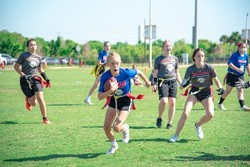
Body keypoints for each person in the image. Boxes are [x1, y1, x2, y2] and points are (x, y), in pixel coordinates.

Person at [98, 52, 151, 155]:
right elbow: (100, 96)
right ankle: (114, 144)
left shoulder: (125, 73)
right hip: (114, 100)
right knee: (106, 126)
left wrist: (147, 82)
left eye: (117, 63)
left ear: (120, 63)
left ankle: (125, 128)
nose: (115, 66)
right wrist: (110, 90)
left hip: (126, 99)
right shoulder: (105, 77)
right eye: (112, 63)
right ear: (108, 64)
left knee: (117, 127)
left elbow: (138, 72)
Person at [169, 48, 224, 143]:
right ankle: (176, 135)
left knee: (210, 114)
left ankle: (198, 125)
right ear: (194, 57)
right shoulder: (190, 69)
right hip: (194, 92)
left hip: (206, 92)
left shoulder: (209, 67)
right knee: (185, 113)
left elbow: (216, 79)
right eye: (198, 56)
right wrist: (186, 83)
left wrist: (220, 88)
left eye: (202, 56)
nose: (200, 58)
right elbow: (182, 86)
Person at [14, 38, 51, 124]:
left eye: (34, 44)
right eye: (31, 45)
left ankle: (45, 119)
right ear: (28, 47)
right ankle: (28, 100)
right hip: (25, 80)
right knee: (34, 103)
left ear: (36, 46)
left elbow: (40, 68)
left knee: (41, 98)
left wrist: (46, 78)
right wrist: (23, 75)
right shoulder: (23, 55)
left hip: (35, 79)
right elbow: (16, 66)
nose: (33, 46)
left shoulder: (38, 57)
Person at [152, 40, 182, 129]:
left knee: (172, 102)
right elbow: (155, 73)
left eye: (169, 46)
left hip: (172, 81)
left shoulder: (175, 59)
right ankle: (160, 117)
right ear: (163, 48)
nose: (168, 47)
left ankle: (169, 123)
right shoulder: (158, 59)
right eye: (166, 46)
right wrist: (154, 83)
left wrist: (181, 82)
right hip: (162, 81)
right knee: (164, 101)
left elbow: (177, 72)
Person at [218, 42, 250, 111]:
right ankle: (220, 103)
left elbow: (247, 64)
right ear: (238, 48)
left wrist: (249, 72)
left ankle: (242, 106)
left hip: (240, 77)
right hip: (232, 75)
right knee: (228, 91)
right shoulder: (235, 55)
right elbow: (229, 63)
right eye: (241, 47)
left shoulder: (246, 56)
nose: (243, 49)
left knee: (240, 90)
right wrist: (237, 69)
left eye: (244, 47)